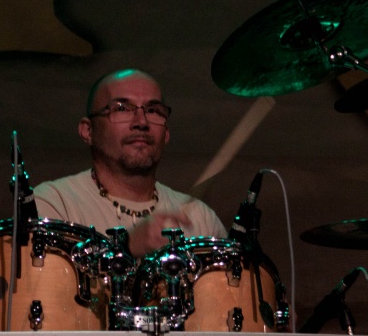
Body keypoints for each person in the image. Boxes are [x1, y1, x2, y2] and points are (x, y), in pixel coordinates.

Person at [31, 68, 226, 256]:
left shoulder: (201, 219)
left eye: (153, 110)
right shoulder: (54, 203)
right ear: (88, 131)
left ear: (166, 133)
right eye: (122, 108)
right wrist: (125, 247)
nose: (141, 122)